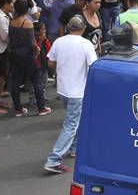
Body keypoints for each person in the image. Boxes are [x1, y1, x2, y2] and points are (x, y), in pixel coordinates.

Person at [43, 15, 97, 174]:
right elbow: (93, 66)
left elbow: (50, 62)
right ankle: (53, 159)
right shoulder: (86, 44)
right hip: (77, 91)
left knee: (72, 120)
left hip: (63, 89)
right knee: (71, 125)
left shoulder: (59, 41)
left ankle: (74, 148)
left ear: (68, 27)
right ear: (84, 28)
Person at [8, 0, 50, 116]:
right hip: (27, 55)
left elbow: (10, 38)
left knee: (15, 81)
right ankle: (41, 107)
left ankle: (18, 109)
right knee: (36, 80)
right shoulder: (27, 23)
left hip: (14, 54)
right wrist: (37, 50)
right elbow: (32, 42)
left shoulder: (12, 21)